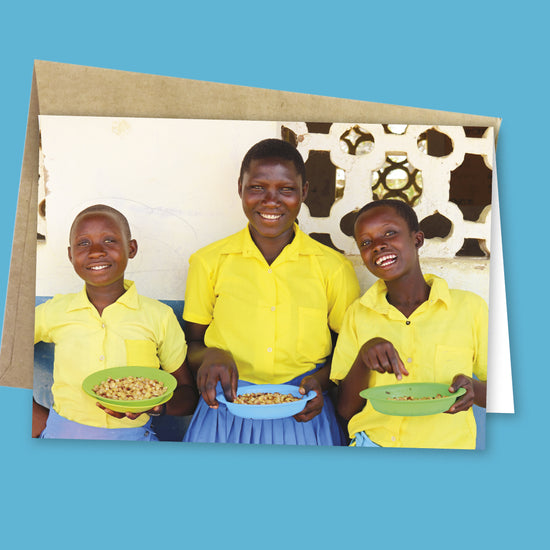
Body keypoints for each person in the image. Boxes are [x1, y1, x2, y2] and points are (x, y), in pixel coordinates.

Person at [182, 138, 360, 445]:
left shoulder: (333, 268)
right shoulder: (208, 262)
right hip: (224, 414)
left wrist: (319, 383)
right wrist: (211, 355)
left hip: (302, 415)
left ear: (304, 192)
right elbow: (193, 342)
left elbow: (349, 352)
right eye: (257, 187)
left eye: (286, 189)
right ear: (240, 188)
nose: (270, 200)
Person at [331, 199, 488, 449]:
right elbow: (345, 410)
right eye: (366, 242)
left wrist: (474, 389)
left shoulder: (470, 309)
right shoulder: (358, 315)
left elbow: (503, 392)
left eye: (390, 233)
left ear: (417, 240)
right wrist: (364, 357)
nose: (379, 246)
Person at [33, 204, 198, 440]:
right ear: (70, 255)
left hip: (131, 438)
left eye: (109, 241)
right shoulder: (55, 311)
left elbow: (187, 395)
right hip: (63, 436)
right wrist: (30, 416)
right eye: (83, 243)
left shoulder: (158, 316)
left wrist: (156, 406)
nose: (97, 251)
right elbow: (8, 346)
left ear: (131, 248)